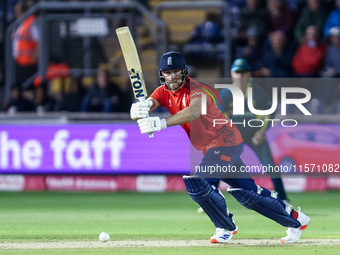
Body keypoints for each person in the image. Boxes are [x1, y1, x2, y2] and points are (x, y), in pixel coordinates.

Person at [130, 51, 310, 244]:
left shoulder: (197, 88)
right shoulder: (162, 92)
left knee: (198, 183)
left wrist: (161, 123)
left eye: (176, 72)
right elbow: (146, 106)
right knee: (249, 194)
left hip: (226, 141)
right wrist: (138, 109)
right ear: (162, 75)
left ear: (184, 72)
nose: (172, 76)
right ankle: (297, 220)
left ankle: (225, 227)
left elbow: (195, 110)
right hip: (213, 147)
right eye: (168, 72)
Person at [218, 58, 289, 203]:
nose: (240, 76)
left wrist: (261, 132)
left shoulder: (258, 92)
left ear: (249, 74)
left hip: (254, 135)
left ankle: (283, 199)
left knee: (270, 165)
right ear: (232, 74)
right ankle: (211, 199)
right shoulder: (226, 94)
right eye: (237, 72)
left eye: (243, 72)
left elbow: (270, 113)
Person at [12, 1, 40, 86]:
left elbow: (38, 41)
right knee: (22, 87)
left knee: (28, 88)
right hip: (20, 62)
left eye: (17, 11)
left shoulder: (31, 22)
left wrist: (34, 57)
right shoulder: (19, 23)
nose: (15, 14)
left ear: (23, 11)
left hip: (29, 62)